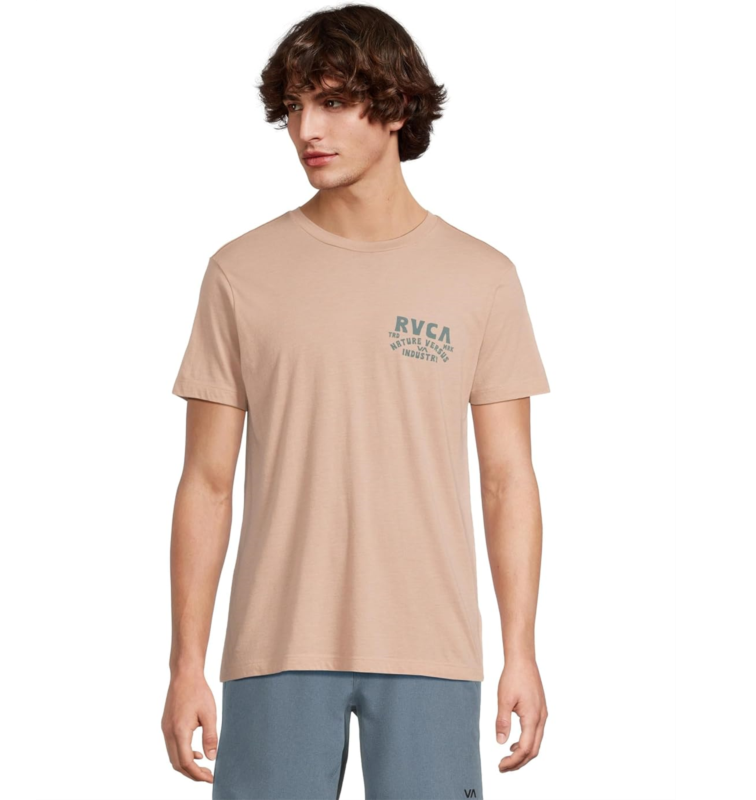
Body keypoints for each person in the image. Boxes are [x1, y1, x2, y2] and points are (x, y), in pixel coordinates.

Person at [161, 4, 550, 798]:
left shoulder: (481, 278)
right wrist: (185, 665)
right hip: (275, 646)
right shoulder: (240, 272)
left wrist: (522, 652)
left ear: (397, 107)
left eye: (333, 101)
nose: (307, 129)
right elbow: (206, 481)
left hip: (432, 648)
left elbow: (508, 479)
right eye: (295, 106)